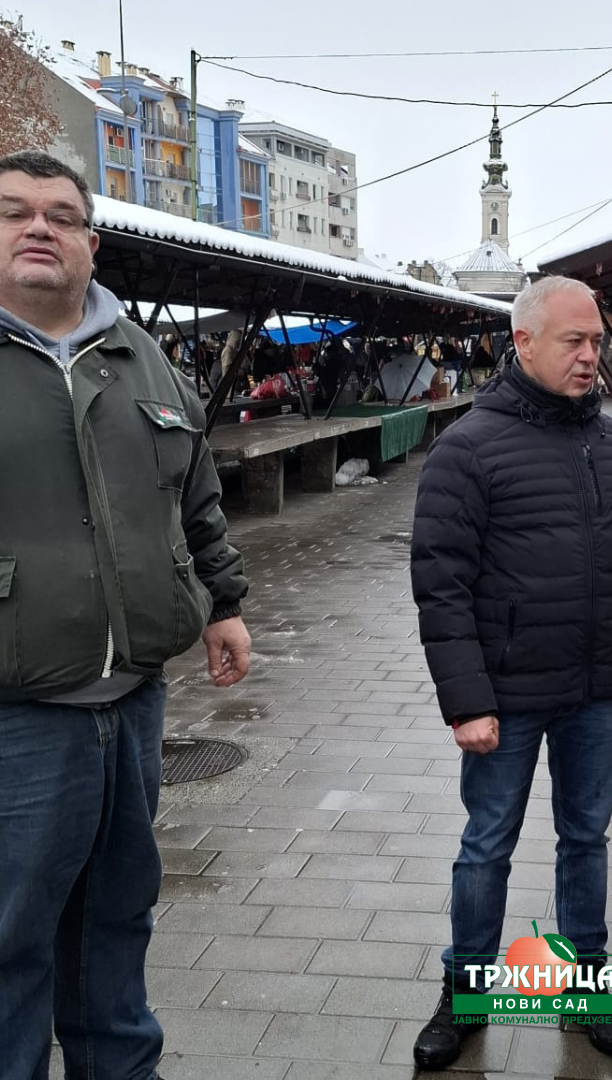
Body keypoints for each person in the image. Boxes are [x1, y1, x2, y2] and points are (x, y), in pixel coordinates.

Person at [0, 150, 251, 1080]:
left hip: (136, 702)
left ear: (90, 244)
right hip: (18, 716)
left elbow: (194, 491)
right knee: (11, 938)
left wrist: (224, 602)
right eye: (14, 211)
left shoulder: (139, 355)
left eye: (61, 215)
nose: (39, 227)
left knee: (117, 920)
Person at [410, 275, 612, 1070]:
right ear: (524, 342)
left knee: (585, 841)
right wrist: (467, 701)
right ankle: (465, 991)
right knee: (487, 844)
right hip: (507, 693)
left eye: (596, 341)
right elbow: (441, 584)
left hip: (597, 690)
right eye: (574, 341)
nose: (590, 356)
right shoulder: (468, 448)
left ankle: (586, 989)